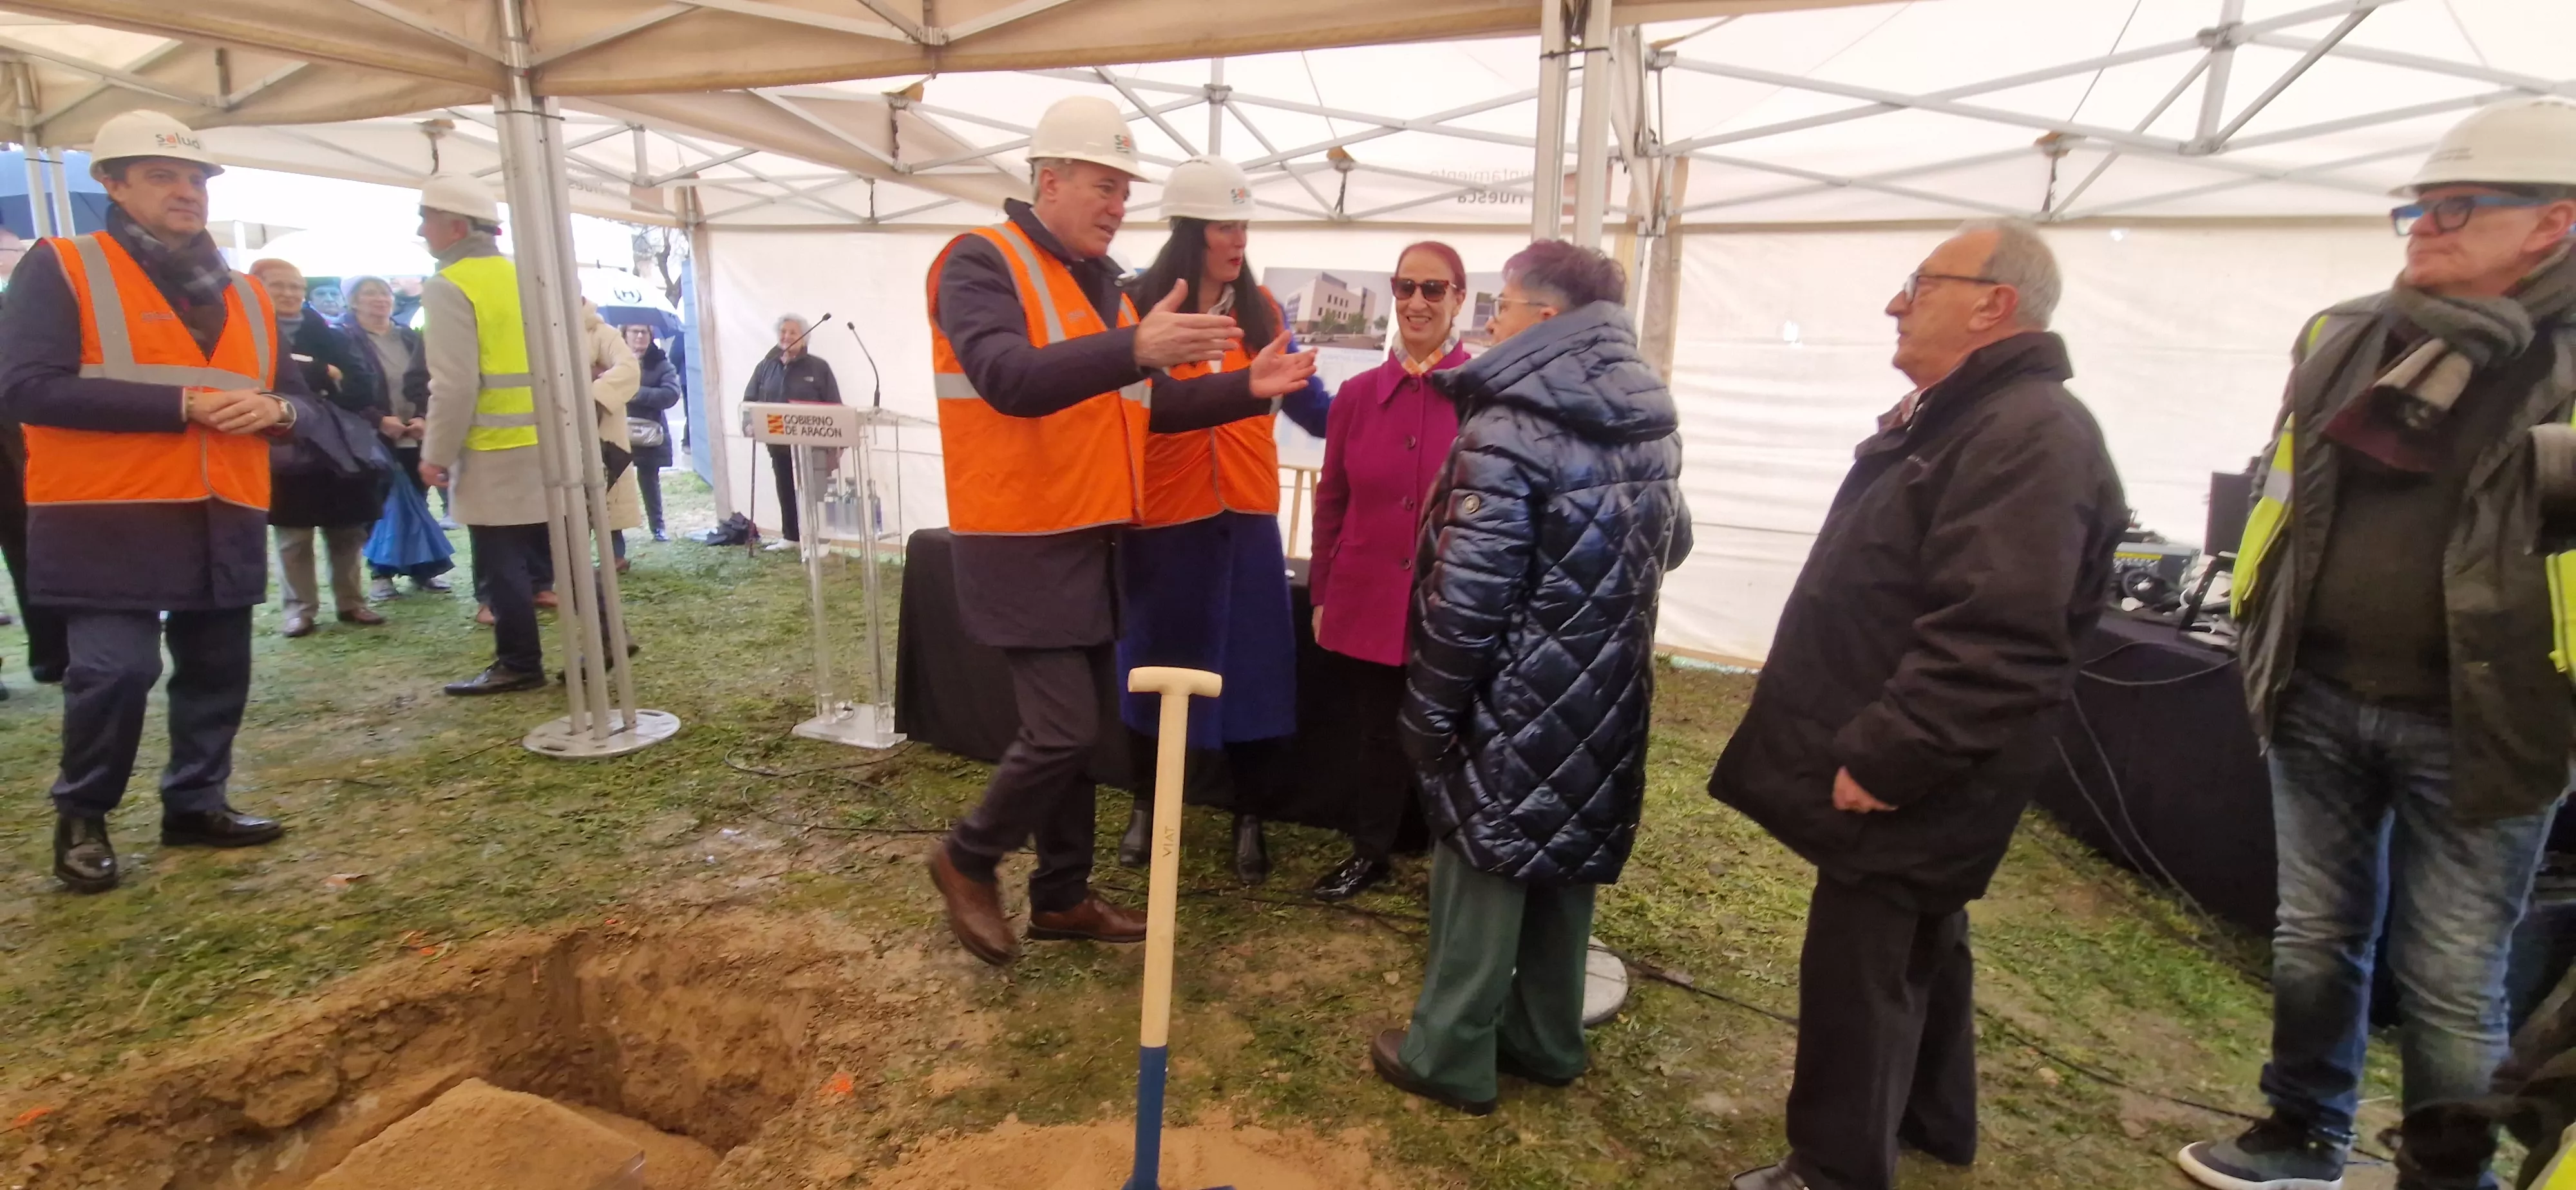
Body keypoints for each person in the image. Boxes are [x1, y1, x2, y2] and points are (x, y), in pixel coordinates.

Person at [2177, 97, 2576, 1190]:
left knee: (2451, 977)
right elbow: (2288, 497)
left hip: (2486, 727)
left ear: (2554, 223)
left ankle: (2446, 1180)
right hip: (2318, 691)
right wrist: (2265, 628)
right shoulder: (2346, 332)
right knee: (2314, 935)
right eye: (2418, 204)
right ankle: (2304, 1129)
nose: (2425, 225)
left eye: (2458, 208)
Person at [1714, 220, 2125, 1190]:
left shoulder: (2028, 434)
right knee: (1921, 931)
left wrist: (1894, 755)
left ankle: (1832, 1168)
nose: (1898, 303)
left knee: (1864, 957)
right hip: (1931, 757)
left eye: (1920, 284)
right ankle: (1935, 1119)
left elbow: (1998, 634)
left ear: (1995, 303)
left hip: (1927, 765)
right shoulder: (1975, 417)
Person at [922, 96, 1317, 967]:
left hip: (1091, 537)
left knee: (1081, 735)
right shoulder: (978, 262)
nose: (1118, 205)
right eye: (1105, 186)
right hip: (1020, 539)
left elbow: (1149, 407)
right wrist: (1134, 347)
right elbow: (1008, 377)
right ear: (1048, 179)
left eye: (1125, 191)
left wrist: (1245, 389)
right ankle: (967, 855)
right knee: (1061, 732)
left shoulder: (1093, 283)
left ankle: (1061, 896)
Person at [1367, 241, 1689, 1117]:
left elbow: (1466, 599)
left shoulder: (1507, 425)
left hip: (1511, 695)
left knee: (1481, 868)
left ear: (1542, 318)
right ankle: (1548, 1039)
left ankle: (1449, 1055)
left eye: (1500, 304)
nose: (1490, 321)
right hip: (1608, 686)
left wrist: (1429, 716)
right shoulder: (1652, 414)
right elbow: (1676, 541)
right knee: (1564, 858)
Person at [0, 110, 305, 892]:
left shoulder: (245, 293)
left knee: (217, 669)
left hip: (223, 510)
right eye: (163, 176)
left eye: (196, 178)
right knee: (113, 670)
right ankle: (83, 815)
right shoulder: (62, 265)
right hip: (107, 516)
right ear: (111, 184)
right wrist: (181, 407)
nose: (187, 192)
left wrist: (281, 412)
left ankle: (196, 802)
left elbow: (299, 401)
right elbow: (25, 388)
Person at [1111, 155, 1330, 888]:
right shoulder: (1137, 307)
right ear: (1189, 231)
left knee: (1255, 673)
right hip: (1163, 522)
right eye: (1222, 226)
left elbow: (1310, 399)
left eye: (1243, 224)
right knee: (1151, 665)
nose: (1236, 238)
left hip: (1247, 521)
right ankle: (1145, 804)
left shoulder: (1261, 308)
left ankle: (1250, 814)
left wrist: (1387, 410)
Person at [1307, 240, 1472, 902]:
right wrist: (1323, 590)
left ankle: (1450, 864)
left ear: (1458, 299)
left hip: (1453, 602)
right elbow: (1331, 502)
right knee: (1375, 734)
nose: (1417, 302)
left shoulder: (1484, 397)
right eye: (1406, 288)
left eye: (1434, 289)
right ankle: (1370, 850)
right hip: (1370, 597)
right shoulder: (1352, 397)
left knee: (1450, 734)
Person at [415, 173, 553, 696]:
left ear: (454, 227)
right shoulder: (526, 276)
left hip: (492, 448)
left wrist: (436, 453)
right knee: (557, 550)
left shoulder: (448, 285)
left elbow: (452, 384)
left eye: (427, 220)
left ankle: (519, 661)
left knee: (502, 566)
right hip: (547, 441)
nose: (422, 231)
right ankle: (610, 639)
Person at [249, 258, 389, 638]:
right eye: (278, 285)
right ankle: (300, 610)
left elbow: (363, 384)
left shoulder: (330, 332)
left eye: (296, 286)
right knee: (293, 534)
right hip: (284, 445)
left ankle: (352, 601)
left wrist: (316, 378)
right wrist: (320, 373)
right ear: (255, 288)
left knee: (346, 529)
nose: (289, 293)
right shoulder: (247, 333)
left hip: (338, 446)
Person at [340, 274, 449, 600]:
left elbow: (429, 378)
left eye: (384, 293)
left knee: (417, 497)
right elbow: (344, 389)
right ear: (354, 301)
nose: (379, 299)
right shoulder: (344, 338)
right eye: (369, 294)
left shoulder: (408, 336)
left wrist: (422, 416)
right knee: (377, 501)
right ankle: (381, 574)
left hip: (414, 431)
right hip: (371, 434)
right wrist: (378, 419)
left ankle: (423, 569)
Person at [744, 313, 838, 551]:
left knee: (815, 490)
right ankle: (791, 537)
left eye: (793, 332)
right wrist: (749, 423)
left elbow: (834, 405)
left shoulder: (819, 367)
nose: (786, 337)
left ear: (805, 338)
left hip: (812, 442)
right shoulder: (766, 366)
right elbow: (749, 400)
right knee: (785, 485)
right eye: (783, 332)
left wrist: (835, 449)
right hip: (777, 439)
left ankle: (821, 541)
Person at [582, 301, 645, 571]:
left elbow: (629, 370)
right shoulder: (546, 330)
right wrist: (590, 373)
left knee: (607, 486)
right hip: (563, 425)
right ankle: (574, 561)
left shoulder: (603, 333)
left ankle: (615, 556)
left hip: (602, 426)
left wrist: (593, 390)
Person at [624, 323, 679, 542]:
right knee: (613, 483)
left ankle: (657, 526)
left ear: (650, 335)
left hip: (649, 432)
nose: (639, 336)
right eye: (634, 331)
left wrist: (635, 393)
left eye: (644, 332)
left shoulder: (661, 363)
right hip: (617, 429)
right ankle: (613, 532)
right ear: (624, 334)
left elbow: (670, 394)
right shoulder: (613, 361)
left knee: (649, 479)